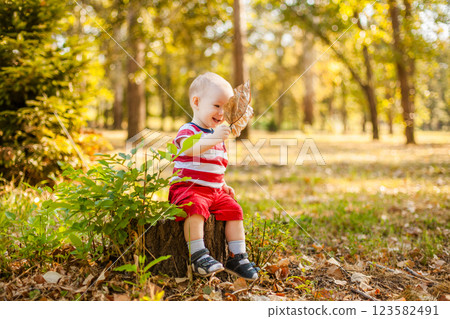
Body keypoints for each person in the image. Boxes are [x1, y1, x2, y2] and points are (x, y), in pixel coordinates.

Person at [168, 72, 259, 280]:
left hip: (214, 190)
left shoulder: (216, 136)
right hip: (188, 189)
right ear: (197, 102)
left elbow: (215, 165)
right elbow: (190, 150)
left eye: (225, 108)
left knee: (234, 209)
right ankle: (198, 255)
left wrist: (223, 183)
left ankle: (238, 257)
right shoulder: (188, 130)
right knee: (196, 207)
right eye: (217, 106)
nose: (221, 113)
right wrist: (215, 137)